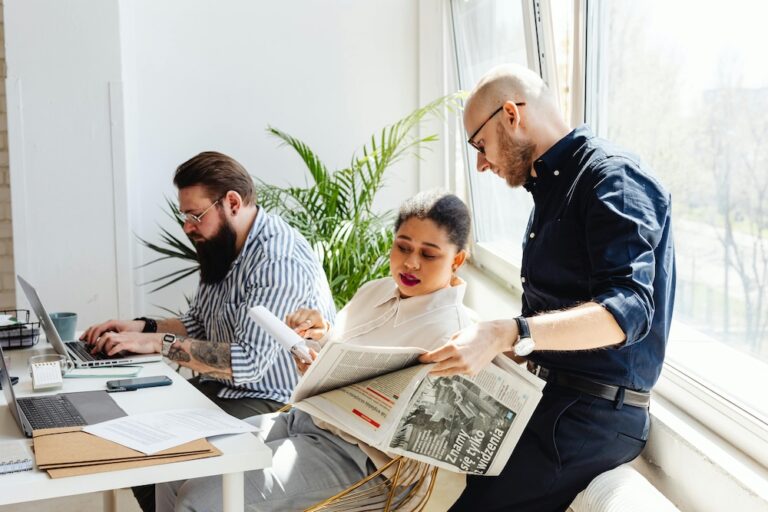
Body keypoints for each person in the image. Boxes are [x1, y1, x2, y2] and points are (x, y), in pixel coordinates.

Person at [419, 64, 676, 511]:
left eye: (480, 145)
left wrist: (507, 333)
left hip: (593, 415)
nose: (481, 163)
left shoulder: (613, 178)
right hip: (549, 398)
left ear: (512, 115)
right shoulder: (550, 192)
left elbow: (628, 310)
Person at [156, 190, 473, 512]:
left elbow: (433, 434)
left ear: (457, 260)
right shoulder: (373, 291)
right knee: (178, 462)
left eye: (429, 255)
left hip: (359, 460)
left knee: (200, 498)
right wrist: (313, 344)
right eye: (402, 246)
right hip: (305, 420)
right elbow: (331, 355)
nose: (410, 263)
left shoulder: (457, 333)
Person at [81, 151, 335, 512]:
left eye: (195, 215)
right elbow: (199, 322)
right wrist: (141, 328)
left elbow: (247, 364)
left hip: (275, 398)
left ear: (232, 202)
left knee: (158, 449)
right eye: (185, 216)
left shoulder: (278, 261)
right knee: (132, 435)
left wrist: (155, 343)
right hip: (226, 388)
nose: (187, 227)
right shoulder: (222, 248)